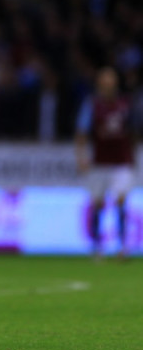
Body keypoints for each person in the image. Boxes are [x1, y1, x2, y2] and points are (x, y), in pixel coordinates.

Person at [75, 66, 137, 260]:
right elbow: (82, 133)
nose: (107, 86)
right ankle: (96, 246)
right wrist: (81, 157)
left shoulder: (126, 104)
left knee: (120, 199)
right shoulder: (92, 105)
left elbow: (133, 132)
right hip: (99, 162)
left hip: (121, 161)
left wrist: (133, 157)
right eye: (104, 83)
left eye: (110, 82)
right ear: (99, 85)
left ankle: (122, 246)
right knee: (98, 203)